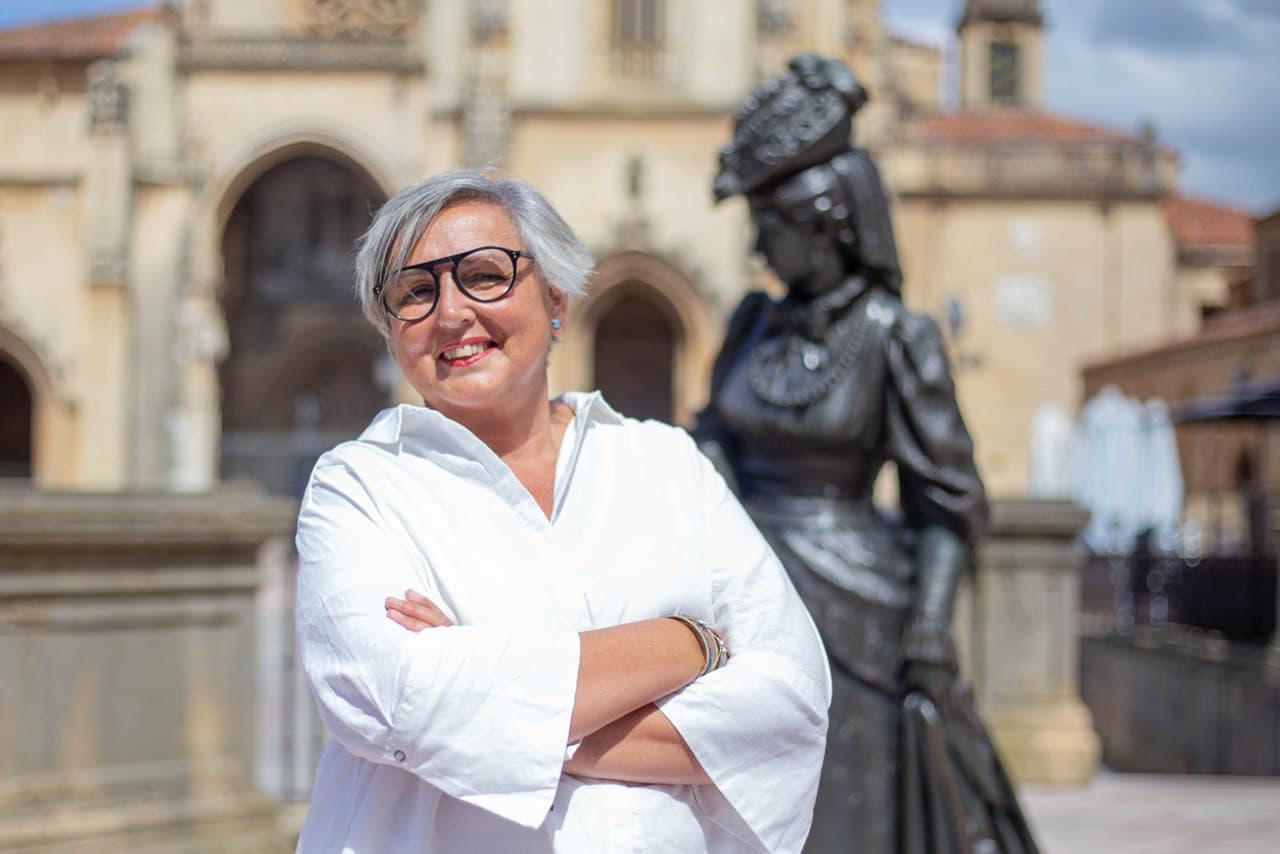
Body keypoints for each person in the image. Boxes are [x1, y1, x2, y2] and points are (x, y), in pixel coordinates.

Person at [293, 169, 831, 853]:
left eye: (484, 276)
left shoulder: (667, 464)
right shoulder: (359, 487)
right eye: (415, 292)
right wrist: (690, 644)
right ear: (390, 329)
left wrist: (492, 696)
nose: (451, 313)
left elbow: (790, 702)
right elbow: (397, 700)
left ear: (556, 300)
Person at [696, 55, 1040, 853]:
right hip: (740, 595)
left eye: (770, 225)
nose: (757, 246)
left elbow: (947, 501)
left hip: (854, 608)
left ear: (827, 226)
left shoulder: (896, 338)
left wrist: (930, 624)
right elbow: (713, 433)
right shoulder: (750, 324)